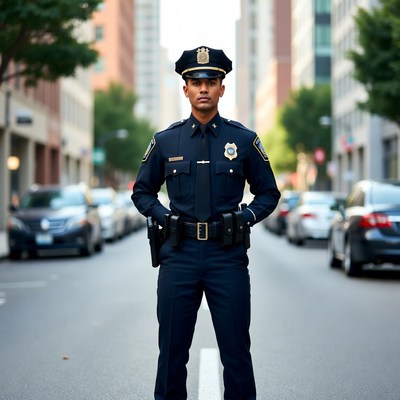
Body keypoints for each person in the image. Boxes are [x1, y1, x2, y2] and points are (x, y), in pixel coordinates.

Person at [131, 45, 280, 400]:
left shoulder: (243, 140)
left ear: (221, 88)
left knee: (236, 354)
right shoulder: (166, 141)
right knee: (171, 354)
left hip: (225, 257)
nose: (203, 88)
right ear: (185, 89)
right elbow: (141, 192)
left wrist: (245, 218)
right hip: (178, 255)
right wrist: (164, 217)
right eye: (195, 81)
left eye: (211, 81)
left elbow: (268, 194)